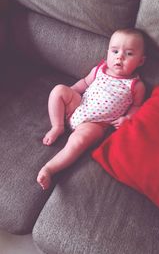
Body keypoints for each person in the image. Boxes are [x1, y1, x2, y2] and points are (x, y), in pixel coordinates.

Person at [37, 28, 146, 190]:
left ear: (141, 61)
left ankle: (50, 168)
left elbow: (137, 106)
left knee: (78, 141)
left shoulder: (136, 86)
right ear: (108, 52)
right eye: (115, 51)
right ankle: (57, 126)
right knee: (58, 90)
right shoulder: (99, 69)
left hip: (96, 124)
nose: (120, 57)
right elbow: (84, 83)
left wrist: (128, 118)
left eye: (129, 54)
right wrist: (71, 93)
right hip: (78, 106)